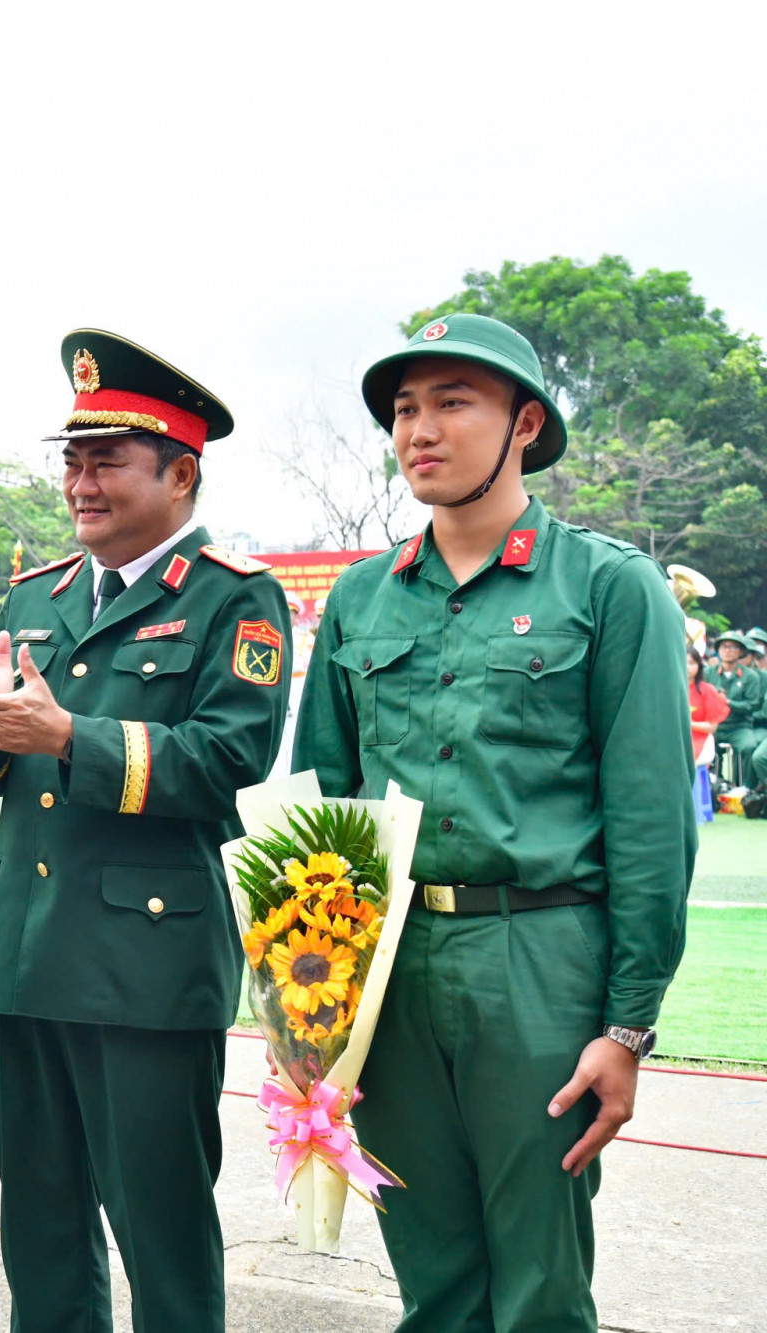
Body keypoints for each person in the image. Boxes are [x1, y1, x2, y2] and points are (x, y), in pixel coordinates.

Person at [294, 313, 694, 1331]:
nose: (417, 429)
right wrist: (311, 1008)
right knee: (429, 1276)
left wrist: (625, 1024)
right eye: (402, 408)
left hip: (538, 957)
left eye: (449, 402)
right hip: (390, 966)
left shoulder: (606, 587)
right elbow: (322, 808)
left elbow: (648, 815)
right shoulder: (358, 599)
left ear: (521, 425)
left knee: (537, 1286)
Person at [0, 329, 291, 1331]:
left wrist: (62, 732)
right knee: (39, 1233)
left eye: (105, 461)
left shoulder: (233, 597)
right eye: (70, 461)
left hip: (146, 966)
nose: (79, 482)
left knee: (160, 1233)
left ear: (179, 474)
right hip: (30, 949)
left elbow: (228, 761)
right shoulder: (34, 594)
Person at [709, 630, 758, 787]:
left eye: (733, 647)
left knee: (748, 747)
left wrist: (728, 702)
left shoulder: (750, 676)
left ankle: (745, 788)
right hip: (715, 725)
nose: (728, 651)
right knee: (701, 746)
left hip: (739, 726)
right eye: (724, 647)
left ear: (741, 652)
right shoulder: (708, 673)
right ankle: (714, 786)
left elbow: (752, 705)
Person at [688, 648, 727, 823]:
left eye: (691, 663)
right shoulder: (669, 689)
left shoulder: (708, 690)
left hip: (700, 738)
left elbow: (712, 727)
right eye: (683, 662)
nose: (687, 667)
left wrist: (687, 724)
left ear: (699, 666)